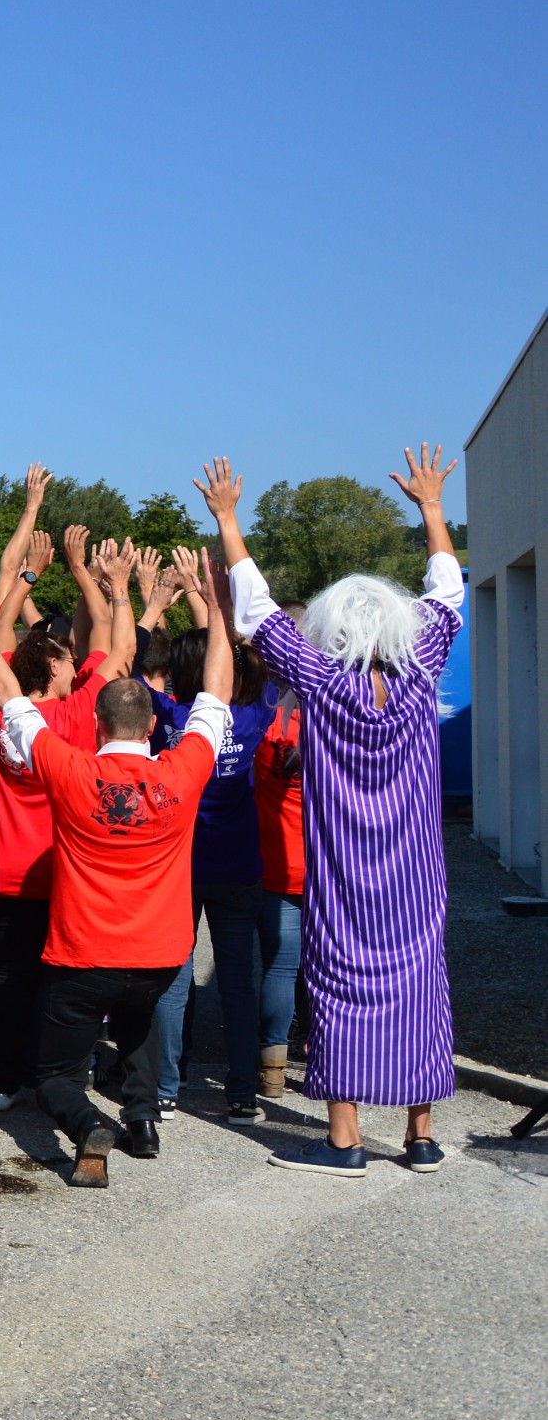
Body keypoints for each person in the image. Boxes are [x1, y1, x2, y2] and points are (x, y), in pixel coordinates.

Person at [208, 449, 461, 1177]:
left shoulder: (318, 682)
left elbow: (254, 609)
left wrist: (228, 518)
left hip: (345, 875)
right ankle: (420, 1137)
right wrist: (433, 510)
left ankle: (345, 1142)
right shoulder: (423, 673)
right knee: (421, 984)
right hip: (416, 875)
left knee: (341, 988)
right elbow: (447, 590)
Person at [0, 549, 227, 1189]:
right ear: (155, 723)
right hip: (159, 952)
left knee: (53, 1075)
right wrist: (214, 613)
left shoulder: (70, 771)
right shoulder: (182, 773)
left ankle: (86, 1126)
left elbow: (8, 696)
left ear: (96, 722)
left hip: (83, 953)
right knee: (136, 1021)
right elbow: (215, 694)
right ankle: (143, 1118)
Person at [0, 527, 130, 1110]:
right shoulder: (79, 715)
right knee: (57, 984)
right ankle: (51, 1077)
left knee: (3, 983)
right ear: (52, 669)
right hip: (59, 876)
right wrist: (103, 580)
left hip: (0, 874)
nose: (74, 661)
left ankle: (1, 1079)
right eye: (67, 657)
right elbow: (113, 642)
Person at [145, 549, 275, 1125]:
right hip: (239, 864)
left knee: (174, 977)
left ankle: (168, 1089)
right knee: (239, 981)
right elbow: (246, 659)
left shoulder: (171, 717)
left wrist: (154, 603)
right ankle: (243, 1092)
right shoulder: (251, 716)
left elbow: (127, 667)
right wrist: (216, 600)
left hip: (180, 867)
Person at [254, 674, 307, 1098]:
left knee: (280, 968)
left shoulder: (266, 723)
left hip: (276, 868)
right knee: (330, 970)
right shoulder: (333, 723)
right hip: (330, 874)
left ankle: (273, 1069)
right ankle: (329, 1059)